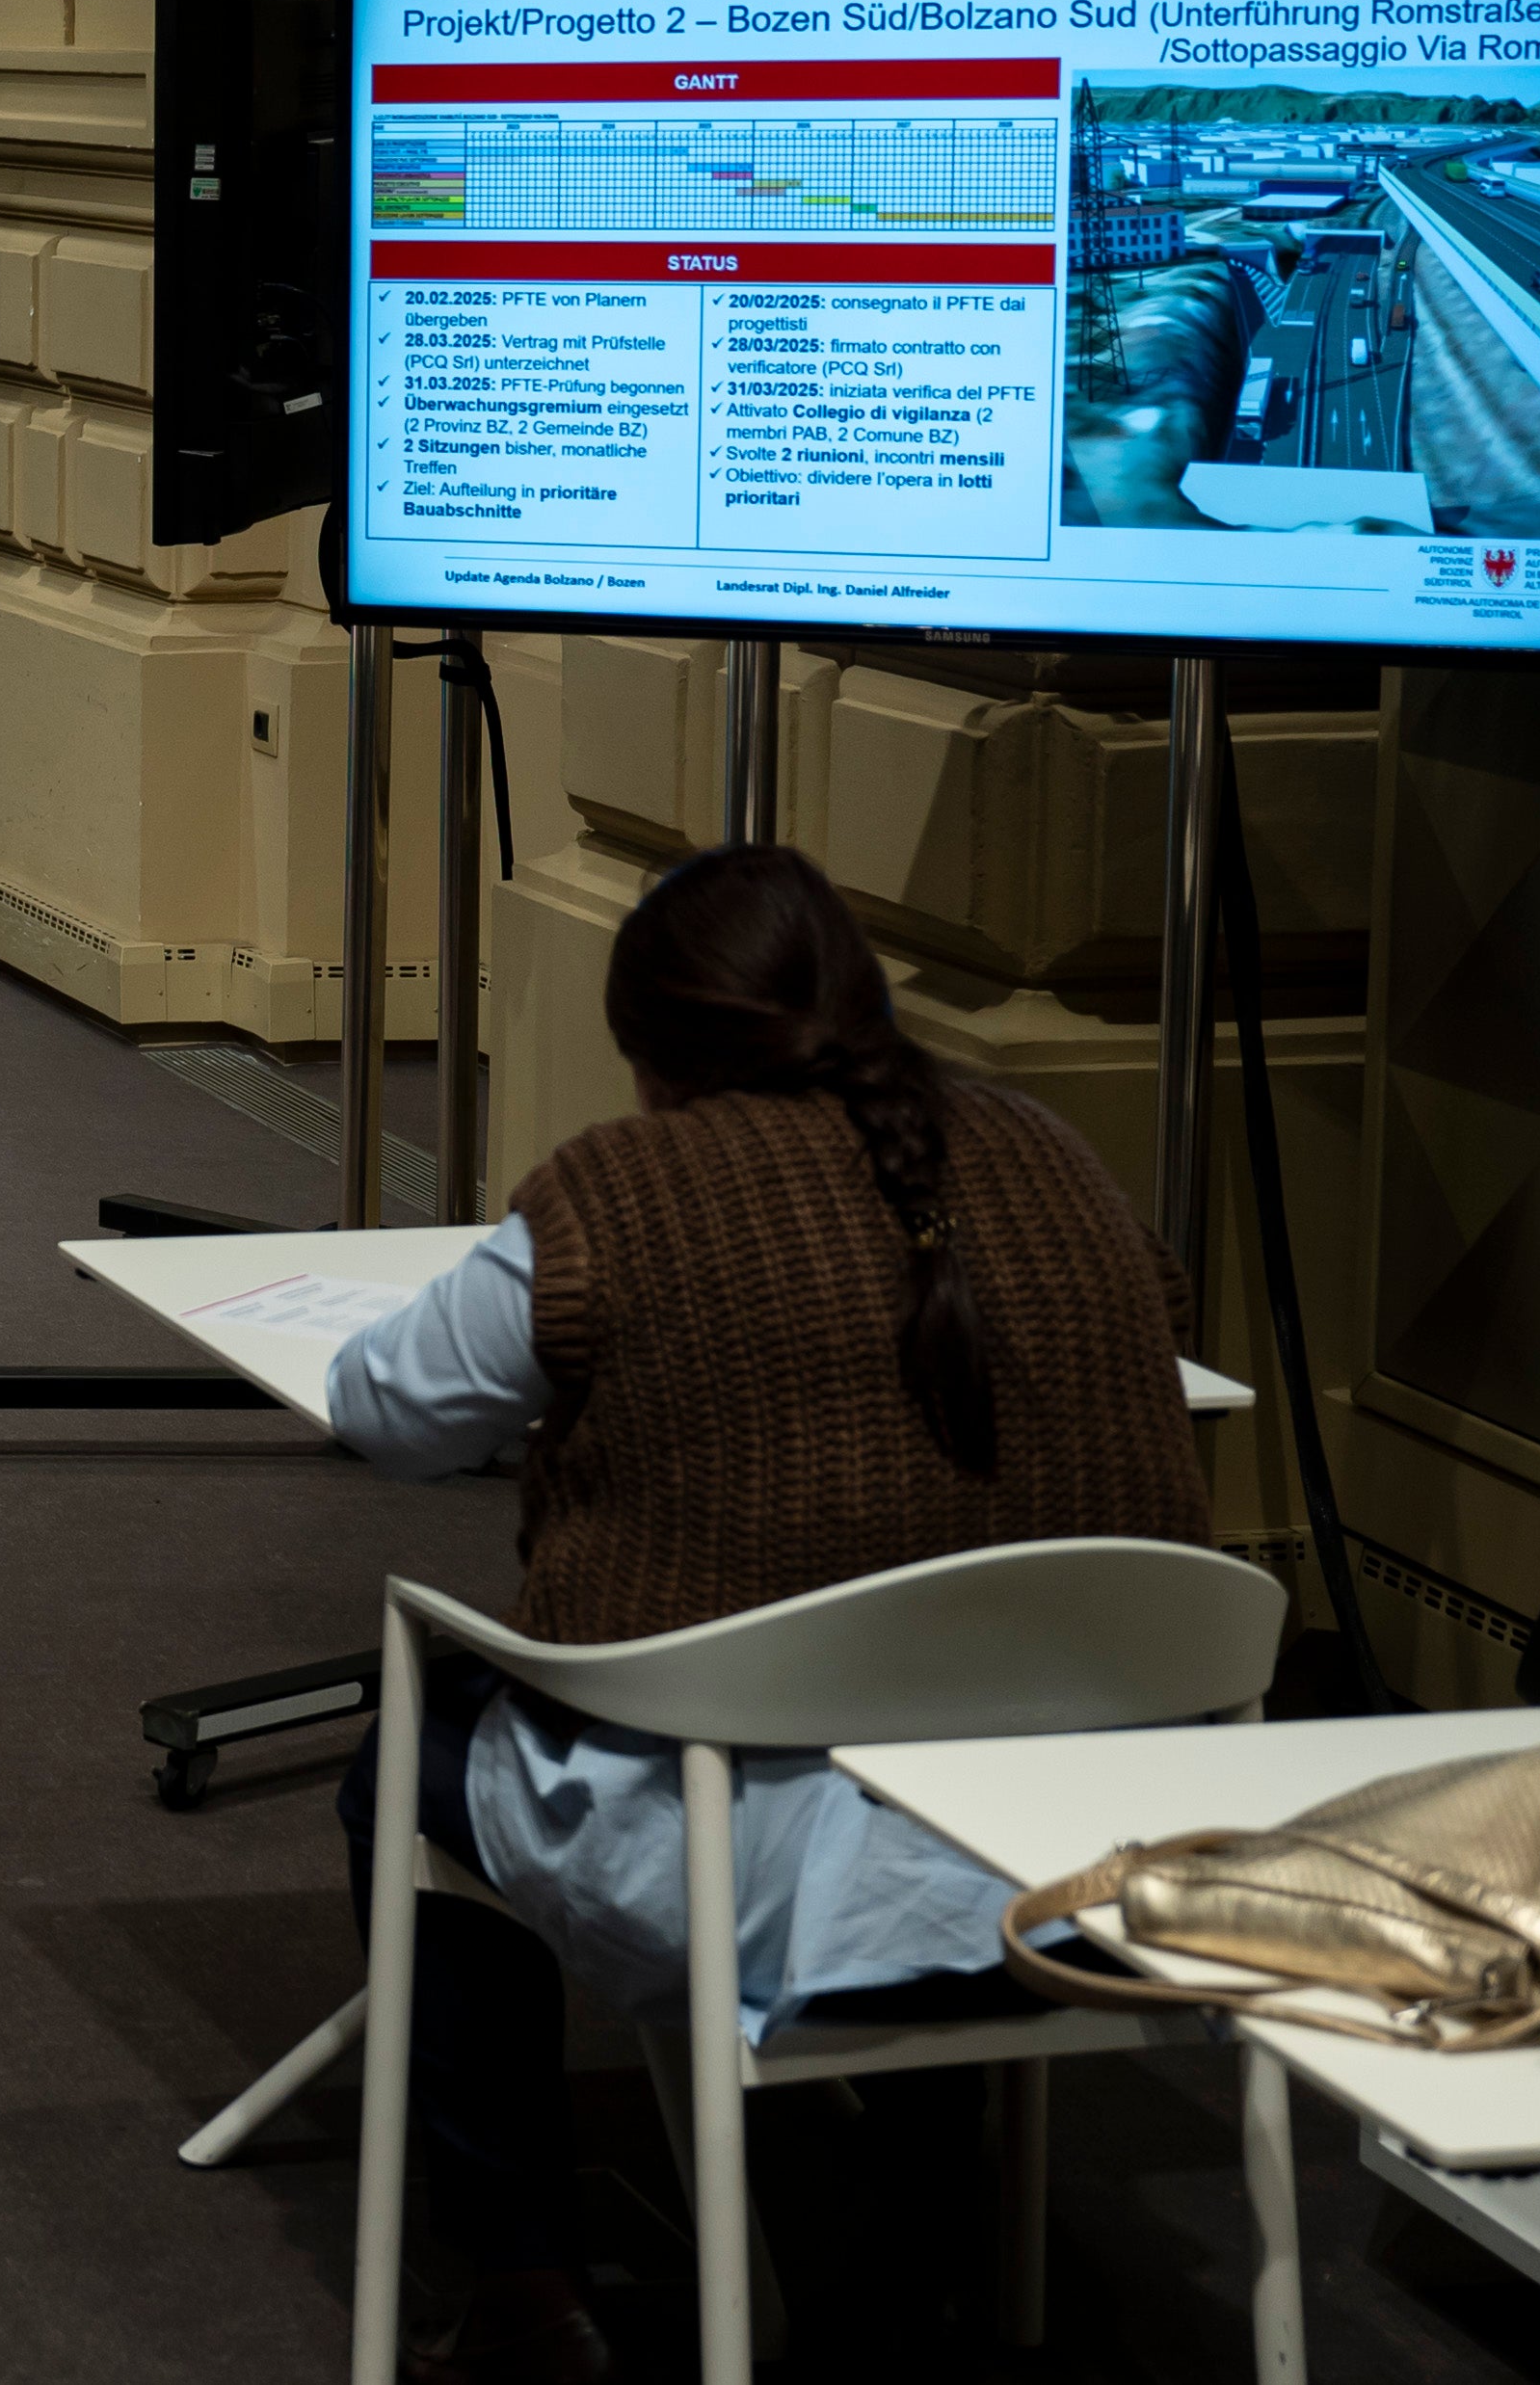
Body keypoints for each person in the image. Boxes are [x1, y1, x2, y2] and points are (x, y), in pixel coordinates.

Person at [322, 843, 1211, 2385]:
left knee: (402, 1750)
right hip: (1102, 1836)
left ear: (652, 1048)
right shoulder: (1055, 1153)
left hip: (758, 1832)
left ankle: (531, 2287)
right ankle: (927, 2221)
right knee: (926, 1714)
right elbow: (1158, 1320)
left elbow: (384, 1408)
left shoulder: (615, 1195)